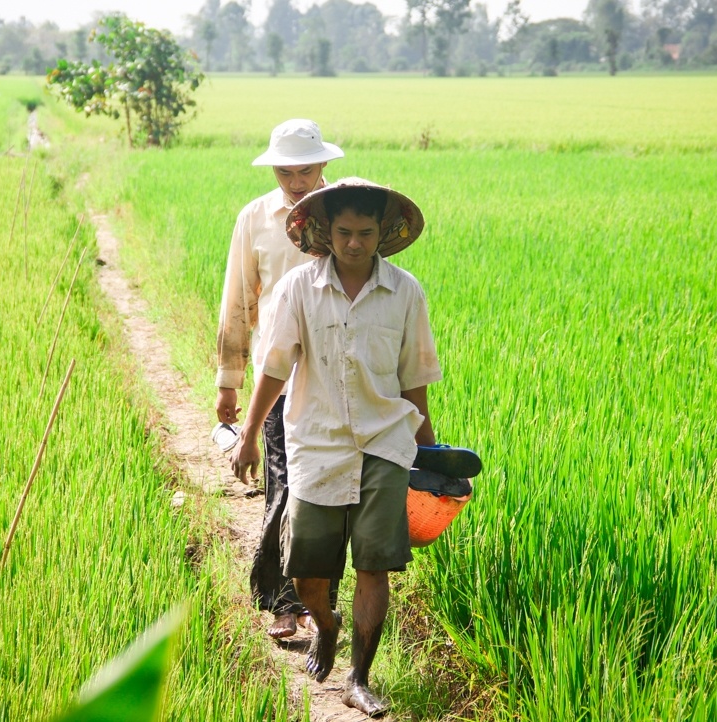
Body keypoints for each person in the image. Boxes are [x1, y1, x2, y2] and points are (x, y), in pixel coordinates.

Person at [230, 178, 440, 718]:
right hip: (316, 443)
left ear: (383, 233)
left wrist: (429, 453)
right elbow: (275, 367)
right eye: (344, 232)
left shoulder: (405, 291)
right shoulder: (298, 288)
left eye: (365, 233)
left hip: (384, 443)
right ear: (324, 232)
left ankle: (359, 678)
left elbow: (414, 379)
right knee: (309, 573)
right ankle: (326, 627)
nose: (354, 243)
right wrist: (250, 436)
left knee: (374, 563)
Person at [215, 119, 345, 640]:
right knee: (286, 488)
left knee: (329, 495)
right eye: (285, 172)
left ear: (325, 167)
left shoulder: (347, 215)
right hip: (278, 380)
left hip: (337, 379)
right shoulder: (255, 217)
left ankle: (320, 602)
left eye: (306, 171)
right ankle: (278, 598)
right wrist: (229, 379)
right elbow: (239, 299)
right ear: (272, 169)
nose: (295, 182)